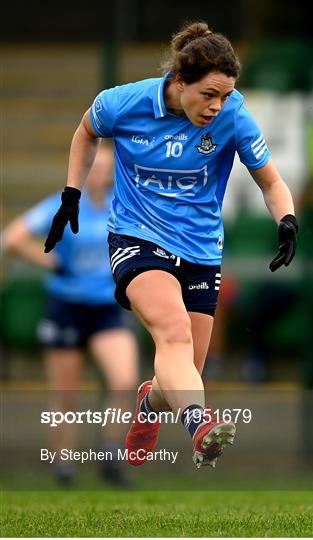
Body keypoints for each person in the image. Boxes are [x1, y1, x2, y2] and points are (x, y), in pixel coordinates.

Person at [42, 22, 298, 469]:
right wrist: (72, 193)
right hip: (137, 239)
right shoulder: (124, 103)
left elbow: (271, 181)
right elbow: (86, 132)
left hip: (200, 250)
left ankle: (150, 403)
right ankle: (202, 427)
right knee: (173, 334)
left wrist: (287, 220)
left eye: (225, 95)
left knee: (182, 373)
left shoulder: (234, 114)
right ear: (180, 82)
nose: (217, 106)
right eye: (208, 94)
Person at [3, 144, 139, 486]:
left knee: (124, 380)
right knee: (66, 395)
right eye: (96, 166)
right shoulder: (60, 205)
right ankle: (64, 465)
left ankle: (110, 455)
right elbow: (12, 239)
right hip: (66, 308)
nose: (102, 173)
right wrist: (52, 262)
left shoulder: (119, 207)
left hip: (106, 308)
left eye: (108, 168)